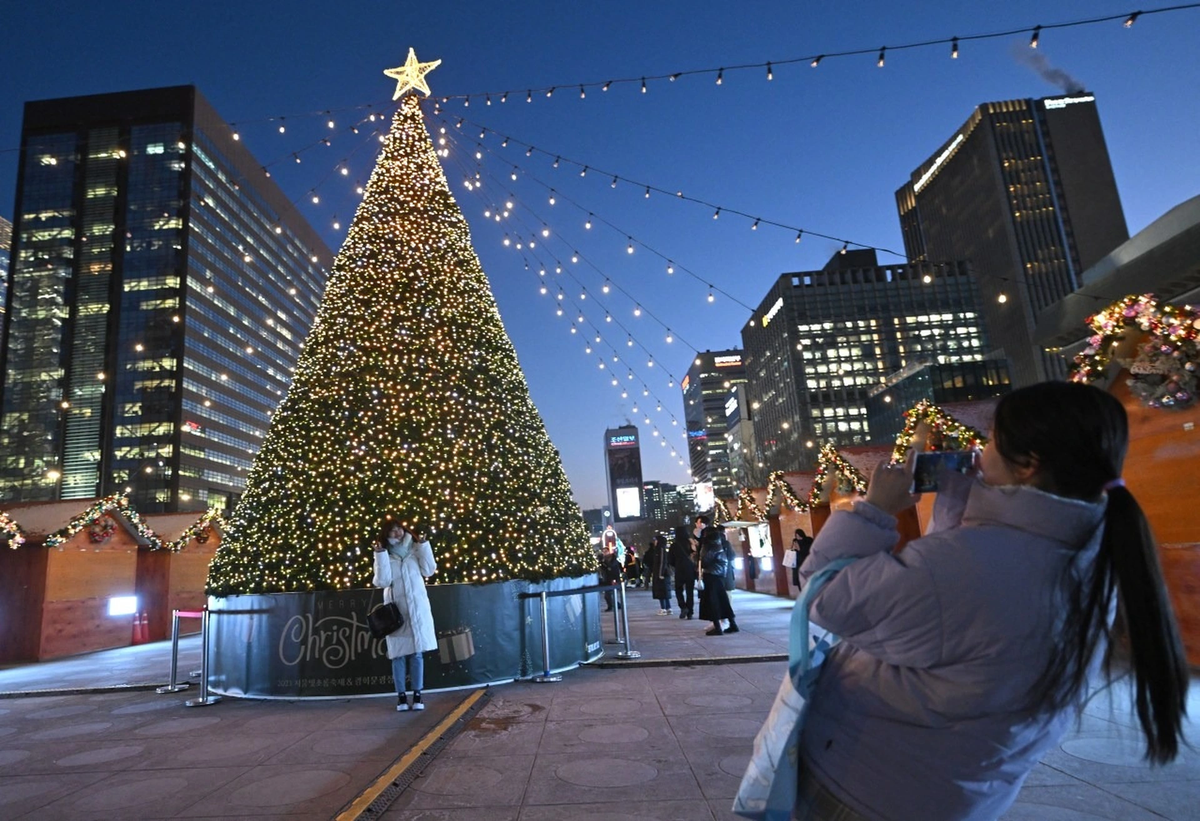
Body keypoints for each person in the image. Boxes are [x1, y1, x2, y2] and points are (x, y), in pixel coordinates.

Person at [794, 382, 1188, 821]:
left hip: (870, 787)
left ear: (1028, 465)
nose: (982, 451)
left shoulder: (965, 566)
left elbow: (823, 592)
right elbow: (956, 612)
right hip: (959, 789)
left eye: (993, 440)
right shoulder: (1091, 555)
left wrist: (874, 510)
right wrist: (959, 511)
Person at [372, 516, 438, 713]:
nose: (398, 533)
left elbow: (429, 570)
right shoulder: (386, 554)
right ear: (386, 534)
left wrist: (424, 546)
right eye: (393, 530)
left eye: (400, 528)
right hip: (396, 612)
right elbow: (382, 581)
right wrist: (380, 555)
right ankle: (401, 696)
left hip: (416, 610)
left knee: (417, 654)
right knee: (398, 656)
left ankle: (417, 694)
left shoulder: (415, 550)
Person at [697, 518, 738, 635]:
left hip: (711, 576)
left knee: (712, 602)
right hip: (720, 576)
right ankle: (733, 624)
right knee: (723, 601)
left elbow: (704, 561)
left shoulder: (708, 546)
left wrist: (697, 555)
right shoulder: (719, 544)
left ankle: (718, 628)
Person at [668, 526, 696, 619]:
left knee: (678, 589)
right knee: (690, 591)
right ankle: (690, 612)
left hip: (679, 569)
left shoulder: (674, 545)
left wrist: (676, 564)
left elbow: (670, 560)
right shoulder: (690, 543)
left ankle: (683, 607)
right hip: (690, 569)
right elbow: (696, 554)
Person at [648, 533, 674, 614]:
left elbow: (662, 562)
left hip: (662, 574)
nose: (654, 542)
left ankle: (664, 608)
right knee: (663, 591)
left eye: (656, 540)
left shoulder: (661, 549)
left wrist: (660, 574)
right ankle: (667, 607)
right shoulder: (659, 550)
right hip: (661, 573)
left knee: (662, 591)